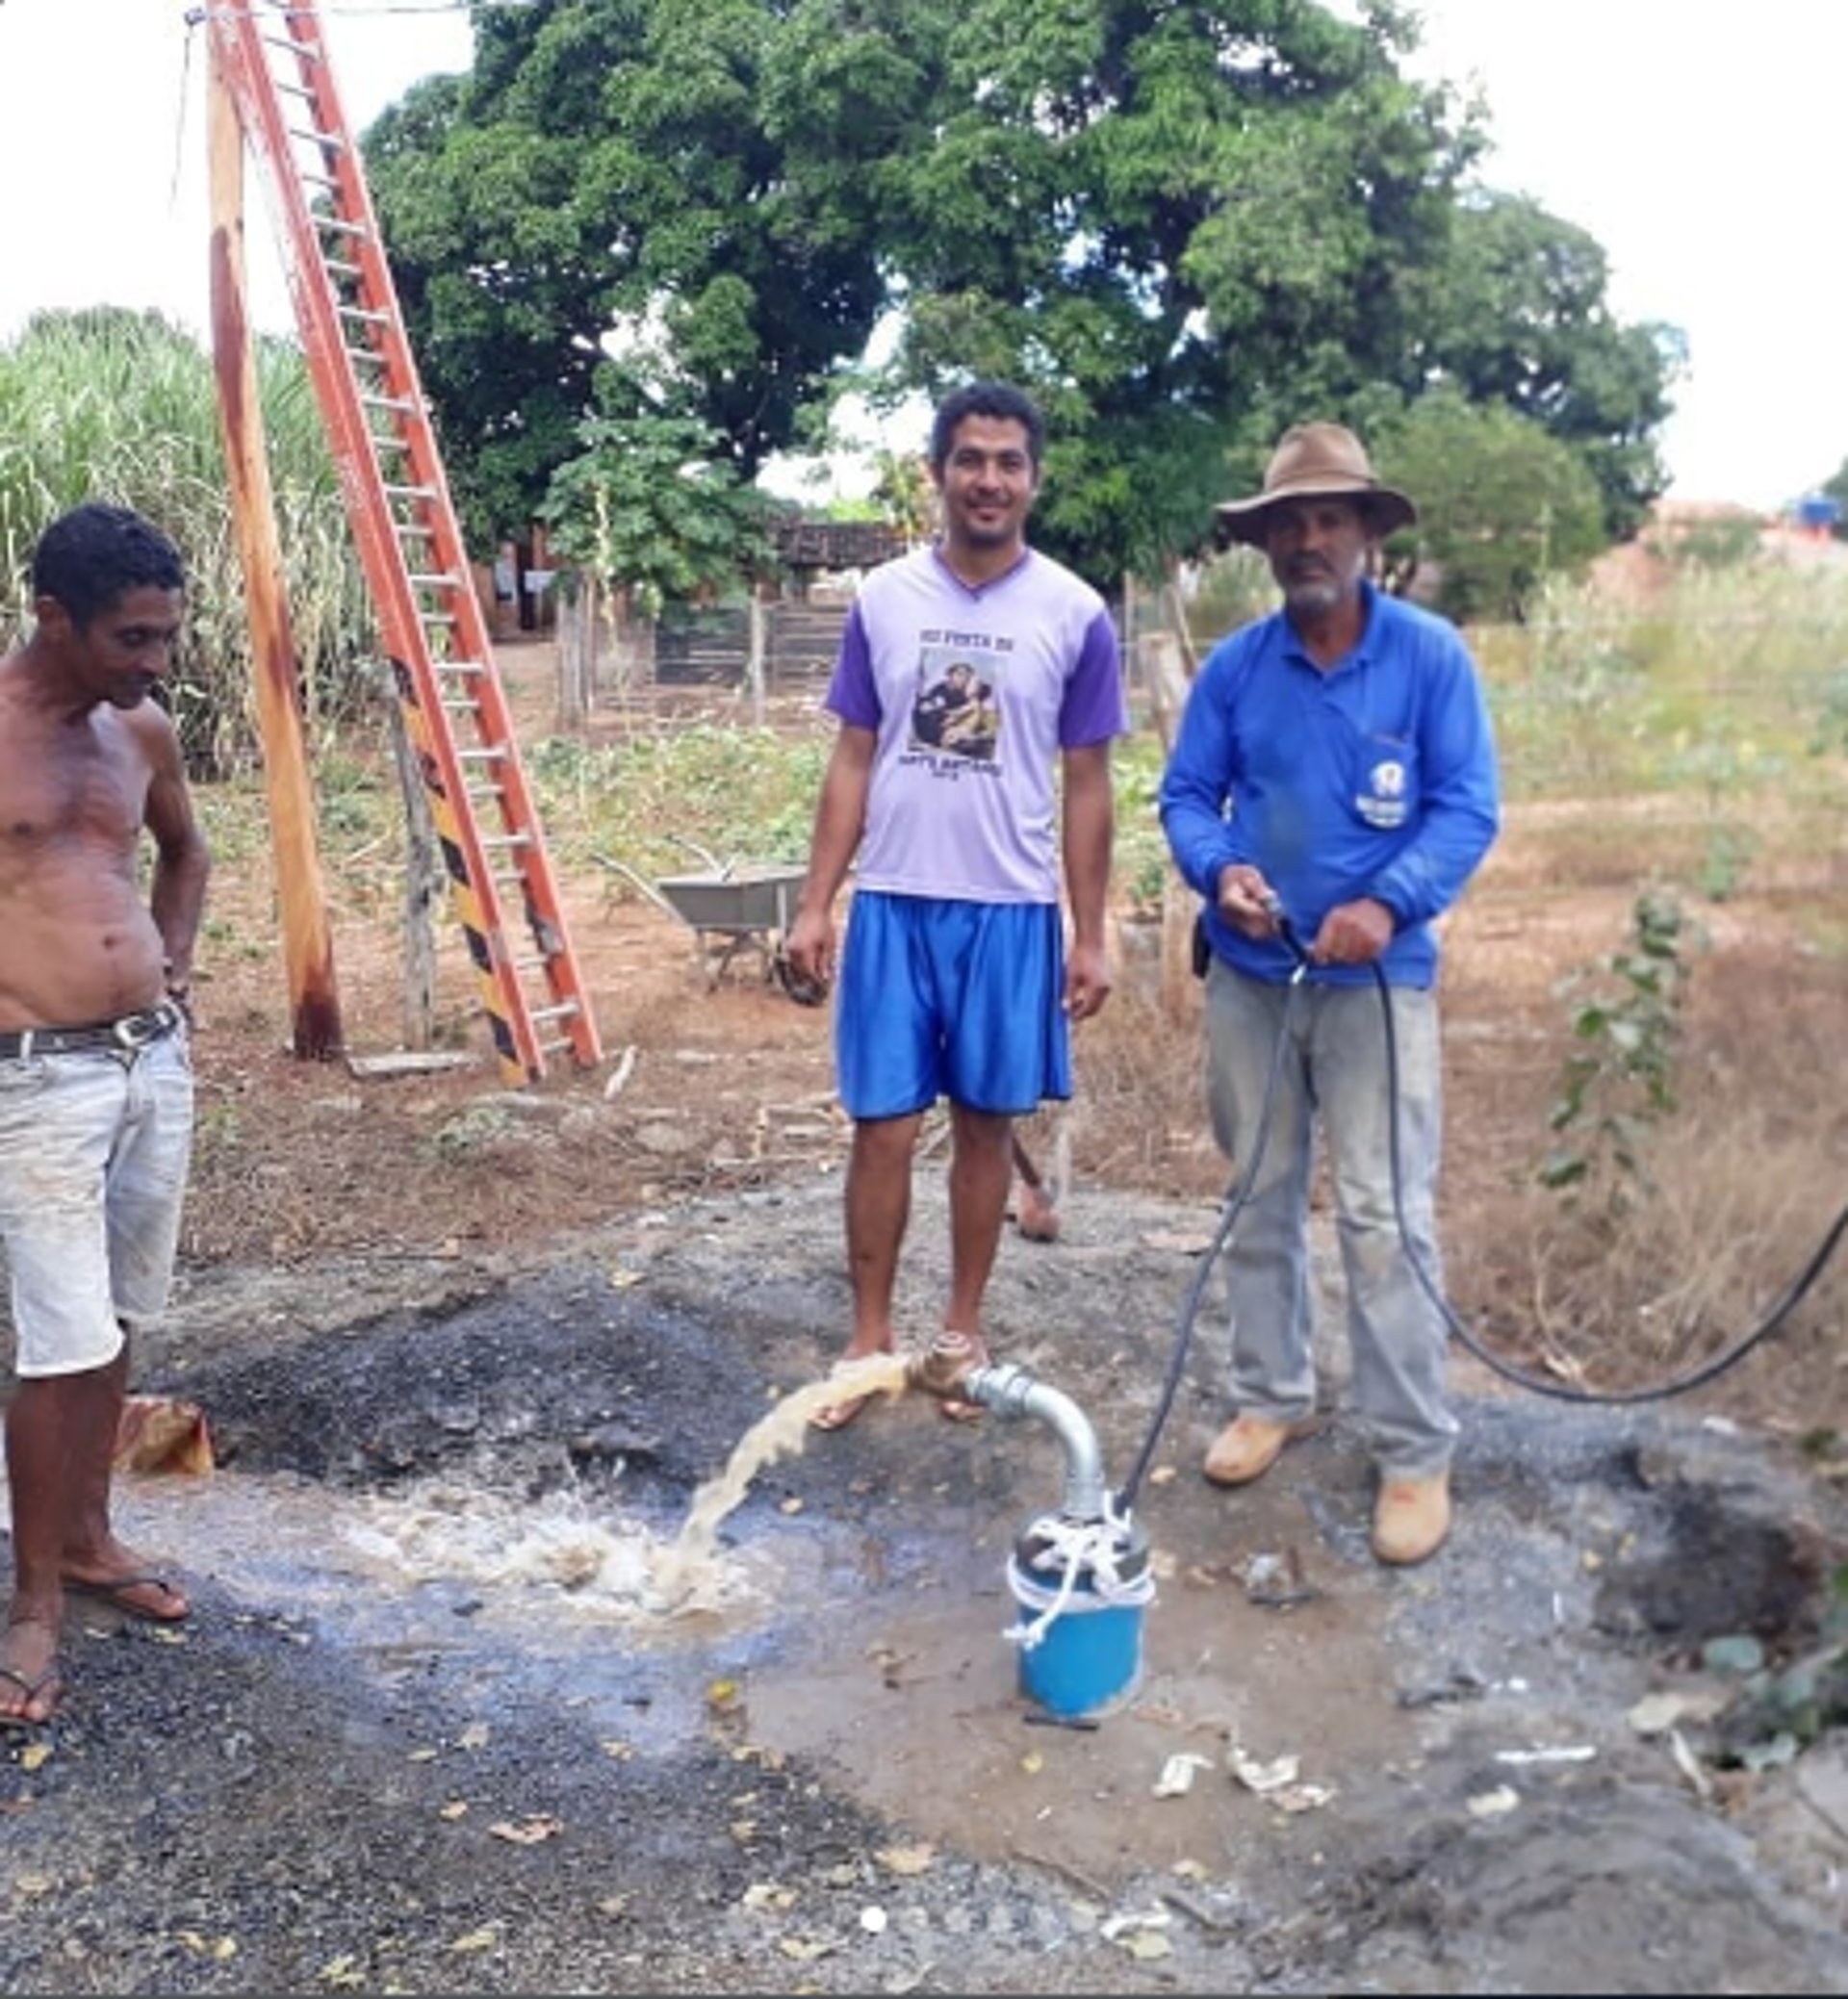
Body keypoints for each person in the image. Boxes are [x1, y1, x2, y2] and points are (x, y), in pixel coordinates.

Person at [1159, 423, 1499, 1565]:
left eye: (1330, 519)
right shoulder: (1236, 668)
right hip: (1254, 978)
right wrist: (1224, 872)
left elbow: (1467, 808)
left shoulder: (1429, 658)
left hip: (1379, 986)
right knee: (1258, 1196)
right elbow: (1186, 799)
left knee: (1384, 1216)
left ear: (1364, 533)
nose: (1310, 539)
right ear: (1264, 543)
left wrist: (1390, 902)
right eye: (1289, 523)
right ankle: (1272, 1393)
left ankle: (1412, 1450)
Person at [785, 381, 1126, 1428]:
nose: (989, 478)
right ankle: (868, 1338)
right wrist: (814, 904)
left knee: (986, 1127)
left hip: (1012, 910)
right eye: (970, 458)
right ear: (937, 473)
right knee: (881, 1129)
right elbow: (853, 755)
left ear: (1035, 477)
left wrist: (1091, 929)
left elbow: (1087, 782)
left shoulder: (1075, 615)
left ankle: (960, 1337)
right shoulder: (884, 600)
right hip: (894, 902)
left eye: (1009, 460)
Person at [0, 504, 211, 1724]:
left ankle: (88, 1538)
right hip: (33, 1078)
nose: (153, 661)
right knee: (59, 1341)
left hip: (147, 1066)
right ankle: (29, 1602)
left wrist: (174, 965)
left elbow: (186, 854)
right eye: (132, 636)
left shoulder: (140, 730)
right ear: (54, 617)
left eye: (167, 637)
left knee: (123, 1316)